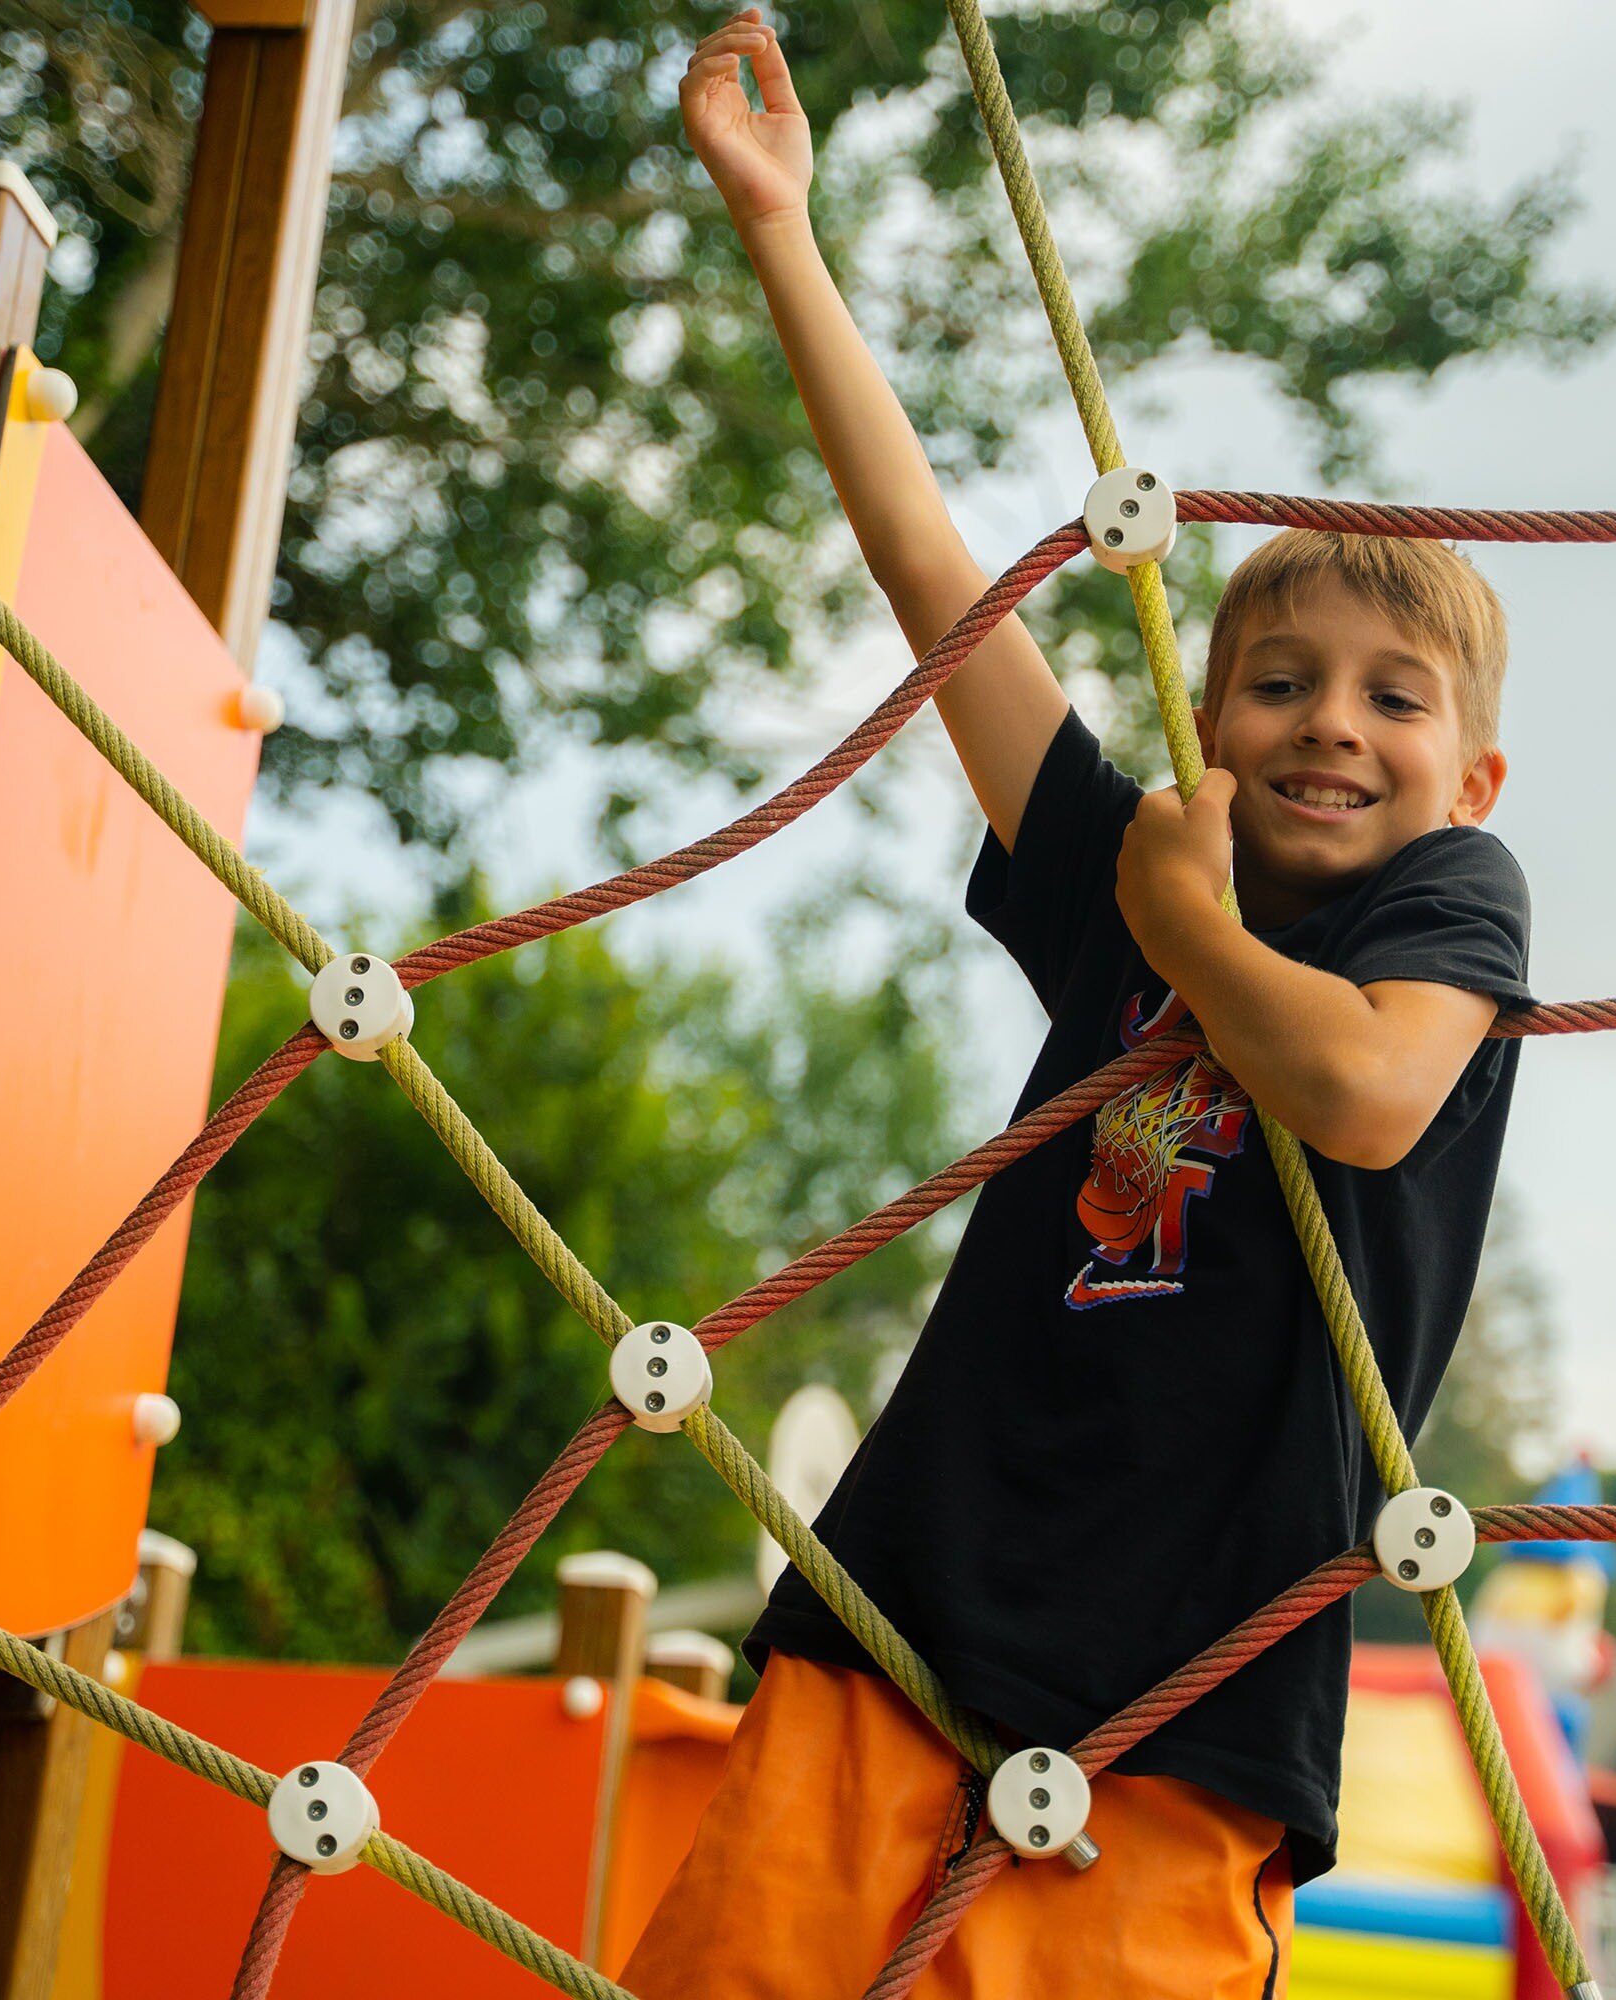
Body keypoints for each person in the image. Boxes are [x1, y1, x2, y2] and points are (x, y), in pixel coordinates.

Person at [628, 14, 1533, 1995]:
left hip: (1194, 1689)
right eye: (1281, 679)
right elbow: (930, 574)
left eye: (1395, 697)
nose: (1330, 724)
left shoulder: (1442, 907)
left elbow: (1367, 1095)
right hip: (912, 1601)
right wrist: (782, 228)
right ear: (1213, 721)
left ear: (1471, 777)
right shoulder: (1128, 869)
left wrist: (1191, 934)